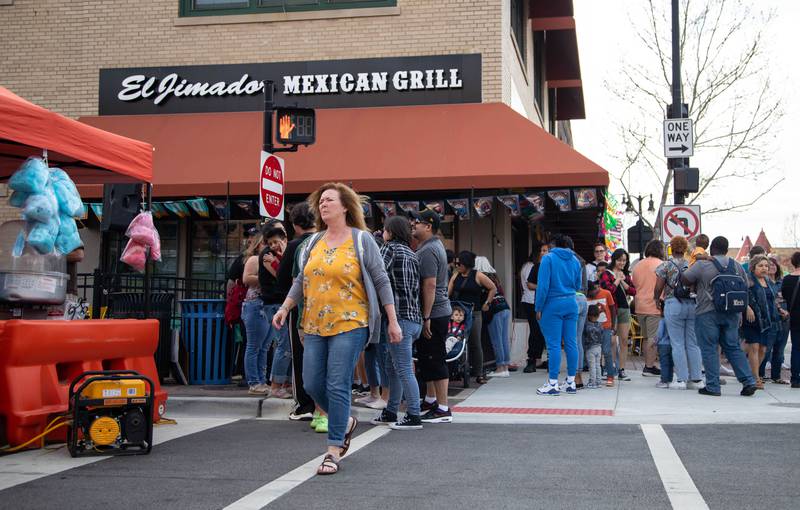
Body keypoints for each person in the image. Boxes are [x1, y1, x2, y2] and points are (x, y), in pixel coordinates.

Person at [272, 182, 401, 476]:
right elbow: (300, 281)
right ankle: (344, 422)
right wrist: (285, 308)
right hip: (314, 323)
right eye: (320, 201)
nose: (323, 205)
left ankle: (333, 450)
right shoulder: (313, 242)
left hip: (351, 321)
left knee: (337, 382)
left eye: (329, 200)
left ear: (345, 206)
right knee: (311, 383)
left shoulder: (361, 240)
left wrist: (392, 321)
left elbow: (381, 280)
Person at [682, 236, 757, 397]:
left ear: (712, 249)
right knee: (733, 347)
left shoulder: (703, 264)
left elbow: (685, 279)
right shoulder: (736, 265)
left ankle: (713, 386)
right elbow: (746, 286)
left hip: (707, 311)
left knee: (709, 348)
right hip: (732, 312)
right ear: (726, 249)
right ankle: (748, 381)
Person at [371, 215, 424, 430]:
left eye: (384, 230)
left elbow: (378, 275)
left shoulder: (389, 249)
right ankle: (391, 411)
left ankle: (413, 414)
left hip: (397, 318)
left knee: (402, 368)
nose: (383, 233)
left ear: (390, 232)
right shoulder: (413, 254)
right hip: (415, 318)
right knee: (394, 367)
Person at [275, 202, 318, 421]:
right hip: (327, 308)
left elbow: (286, 280)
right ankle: (323, 405)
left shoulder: (295, 246)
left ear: (294, 223)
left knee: (300, 356)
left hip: (301, 309)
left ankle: (305, 404)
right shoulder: (323, 241)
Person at [410, 208, 454, 423]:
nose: (413, 225)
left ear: (428, 226)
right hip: (435, 312)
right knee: (427, 359)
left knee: (435, 359)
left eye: (417, 222)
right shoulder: (431, 246)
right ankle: (430, 399)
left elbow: (429, 284)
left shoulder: (428, 250)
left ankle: (443, 408)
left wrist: (426, 316)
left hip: (434, 313)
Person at [534, 234, 582, 396]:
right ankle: (570, 382)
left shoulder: (548, 259)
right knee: (571, 343)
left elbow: (542, 287)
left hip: (552, 304)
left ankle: (553, 383)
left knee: (553, 345)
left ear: (555, 245)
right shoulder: (575, 261)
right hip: (571, 303)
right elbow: (578, 285)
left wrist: (538, 307)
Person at [654, 236, 702, 389]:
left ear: (671, 248)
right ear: (685, 249)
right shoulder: (691, 265)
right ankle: (696, 379)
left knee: (677, 343)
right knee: (693, 343)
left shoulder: (666, 265)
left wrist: (656, 299)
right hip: (692, 304)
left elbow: (659, 286)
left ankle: (681, 379)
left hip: (673, 303)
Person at [448, 250, 497, 385]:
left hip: (474, 312)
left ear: (467, 264)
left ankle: (479, 373)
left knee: (475, 343)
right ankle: (460, 370)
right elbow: (448, 292)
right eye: (456, 263)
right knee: (458, 341)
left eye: (460, 263)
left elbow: (493, 288)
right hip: (458, 314)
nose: (457, 265)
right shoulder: (455, 275)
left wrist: (487, 303)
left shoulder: (478, 275)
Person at [261, 226, 292, 399]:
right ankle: (275, 385)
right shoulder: (267, 256)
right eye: (270, 243)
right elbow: (282, 276)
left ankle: (283, 382)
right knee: (283, 344)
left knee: (285, 344)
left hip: (279, 304)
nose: (273, 245)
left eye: (276, 242)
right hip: (274, 304)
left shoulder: (281, 254)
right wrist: (276, 259)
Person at [742, 255, 780, 390]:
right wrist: (747, 308)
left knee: (764, 349)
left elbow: (773, 300)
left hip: (767, 320)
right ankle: (755, 378)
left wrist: (780, 310)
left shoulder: (768, 281)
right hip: (752, 320)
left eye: (766, 266)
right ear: (753, 267)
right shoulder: (749, 280)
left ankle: (751, 372)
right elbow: (742, 295)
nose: (764, 268)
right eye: (760, 266)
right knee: (754, 347)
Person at [599, 248, 636, 381]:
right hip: (611, 309)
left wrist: (623, 281)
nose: (622, 263)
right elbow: (608, 290)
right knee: (611, 340)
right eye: (619, 260)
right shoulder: (606, 274)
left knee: (624, 340)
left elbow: (633, 291)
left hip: (624, 309)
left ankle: (621, 369)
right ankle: (609, 368)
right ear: (614, 259)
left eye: (624, 260)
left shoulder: (626, 274)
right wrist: (617, 280)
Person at [241, 233, 269, 395]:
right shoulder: (254, 259)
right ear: (259, 245)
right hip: (255, 304)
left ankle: (261, 380)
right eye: (266, 243)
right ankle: (254, 382)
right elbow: (246, 278)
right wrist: (266, 278)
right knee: (254, 346)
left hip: (265, 305)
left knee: (264, 347)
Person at [632, 240, 664, 377]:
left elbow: (635, 284)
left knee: (646, 337)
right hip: (654, 305)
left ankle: (648, 364)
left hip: (640, 305)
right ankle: (649, 366)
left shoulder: (638, 265)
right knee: (653, 337)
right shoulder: (661, 265)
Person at [762, 256, 790, 384]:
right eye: (769, 265)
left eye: (774, 265)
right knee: (766, 349)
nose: (772, 267)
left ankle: (776, 375)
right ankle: (760, 374)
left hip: (784, 319)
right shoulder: (764, 282)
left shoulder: (783, 282)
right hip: (771, 319)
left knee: (780, 348)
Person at [524, 242, 549, 372]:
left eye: (545, 250)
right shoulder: (537, 266)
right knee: (535, 331)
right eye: (542, 250)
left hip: (552, 304)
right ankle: (532, 359)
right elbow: (529, 284)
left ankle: (550, 360)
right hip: (538, 302)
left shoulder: (556, 267)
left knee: (551, 333)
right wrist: (542, 288)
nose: (542, 253)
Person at [587, 281, 617, 387]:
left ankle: (610, 376)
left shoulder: (606, 293)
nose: (593, 294)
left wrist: (614, 325)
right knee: (593, 353)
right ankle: (596, 377)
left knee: (606, 351)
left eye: (594, 291)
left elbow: (613, 309)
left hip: (605, 327)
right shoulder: (586, 296)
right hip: (591, 328)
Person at [483, 270, 512, 378]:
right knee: (504, 339)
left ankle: (500, 367)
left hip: (495, 309)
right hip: (505, 306)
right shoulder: (494, 276)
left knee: (497, 340)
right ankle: (505, 366)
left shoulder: (482, 277)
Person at [780, 251, 800, 388]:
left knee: (796, 348)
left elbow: (783, 300)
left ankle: (795, 378)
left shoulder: (786, 280)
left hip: (794, 317)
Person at [583, 304, 604, 389]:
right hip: (599, 347)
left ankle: (592, 382)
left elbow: (584, 334)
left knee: (591, 365)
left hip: (590, 348)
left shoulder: (587, 326)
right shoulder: (600, 325)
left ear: (588, 315)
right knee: (597, 365)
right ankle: (599, 381)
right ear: (598, 315)